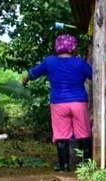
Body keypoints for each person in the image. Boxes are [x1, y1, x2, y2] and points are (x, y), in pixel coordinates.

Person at [22, 34, 93, 172]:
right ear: (73, 48)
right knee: (83, 133)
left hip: (58, 103)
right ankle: (85, 166)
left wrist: (24, 81)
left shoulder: (50, 62)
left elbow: (32, 74)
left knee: (61, 135)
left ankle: (64, 166)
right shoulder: (80, 62)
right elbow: (96, 76)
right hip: (78, 102)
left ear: (57, 47)